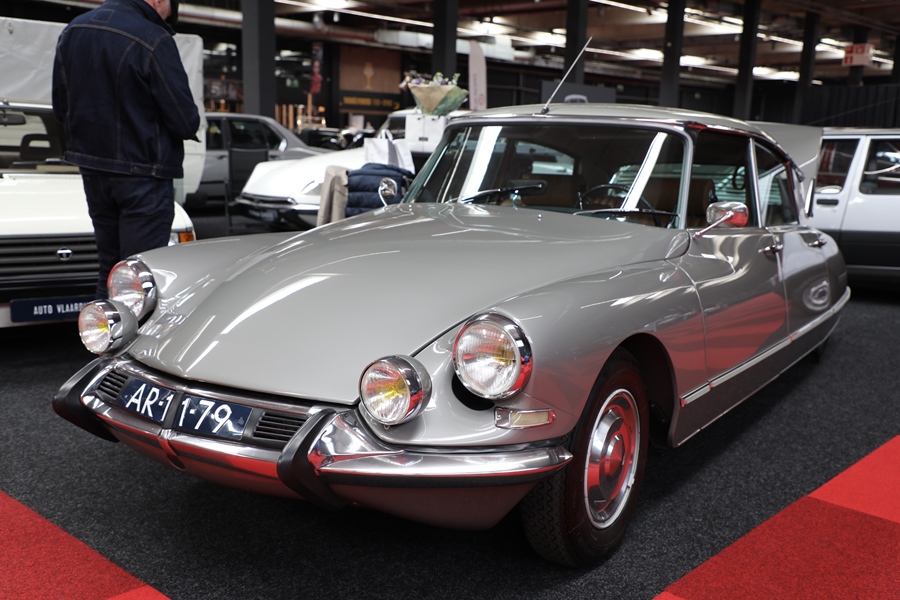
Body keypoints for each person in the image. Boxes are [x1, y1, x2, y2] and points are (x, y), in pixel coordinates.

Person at [52, 0, 200, 298]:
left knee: (109, 268)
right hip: (144, 172)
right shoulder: (153, 38)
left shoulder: (74, 30)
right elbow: (185, 121)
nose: (166, 16)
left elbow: (60, 105)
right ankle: (135, 331)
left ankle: (104, 327)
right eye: (168, 9)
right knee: (140, 274)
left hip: (93, 169)